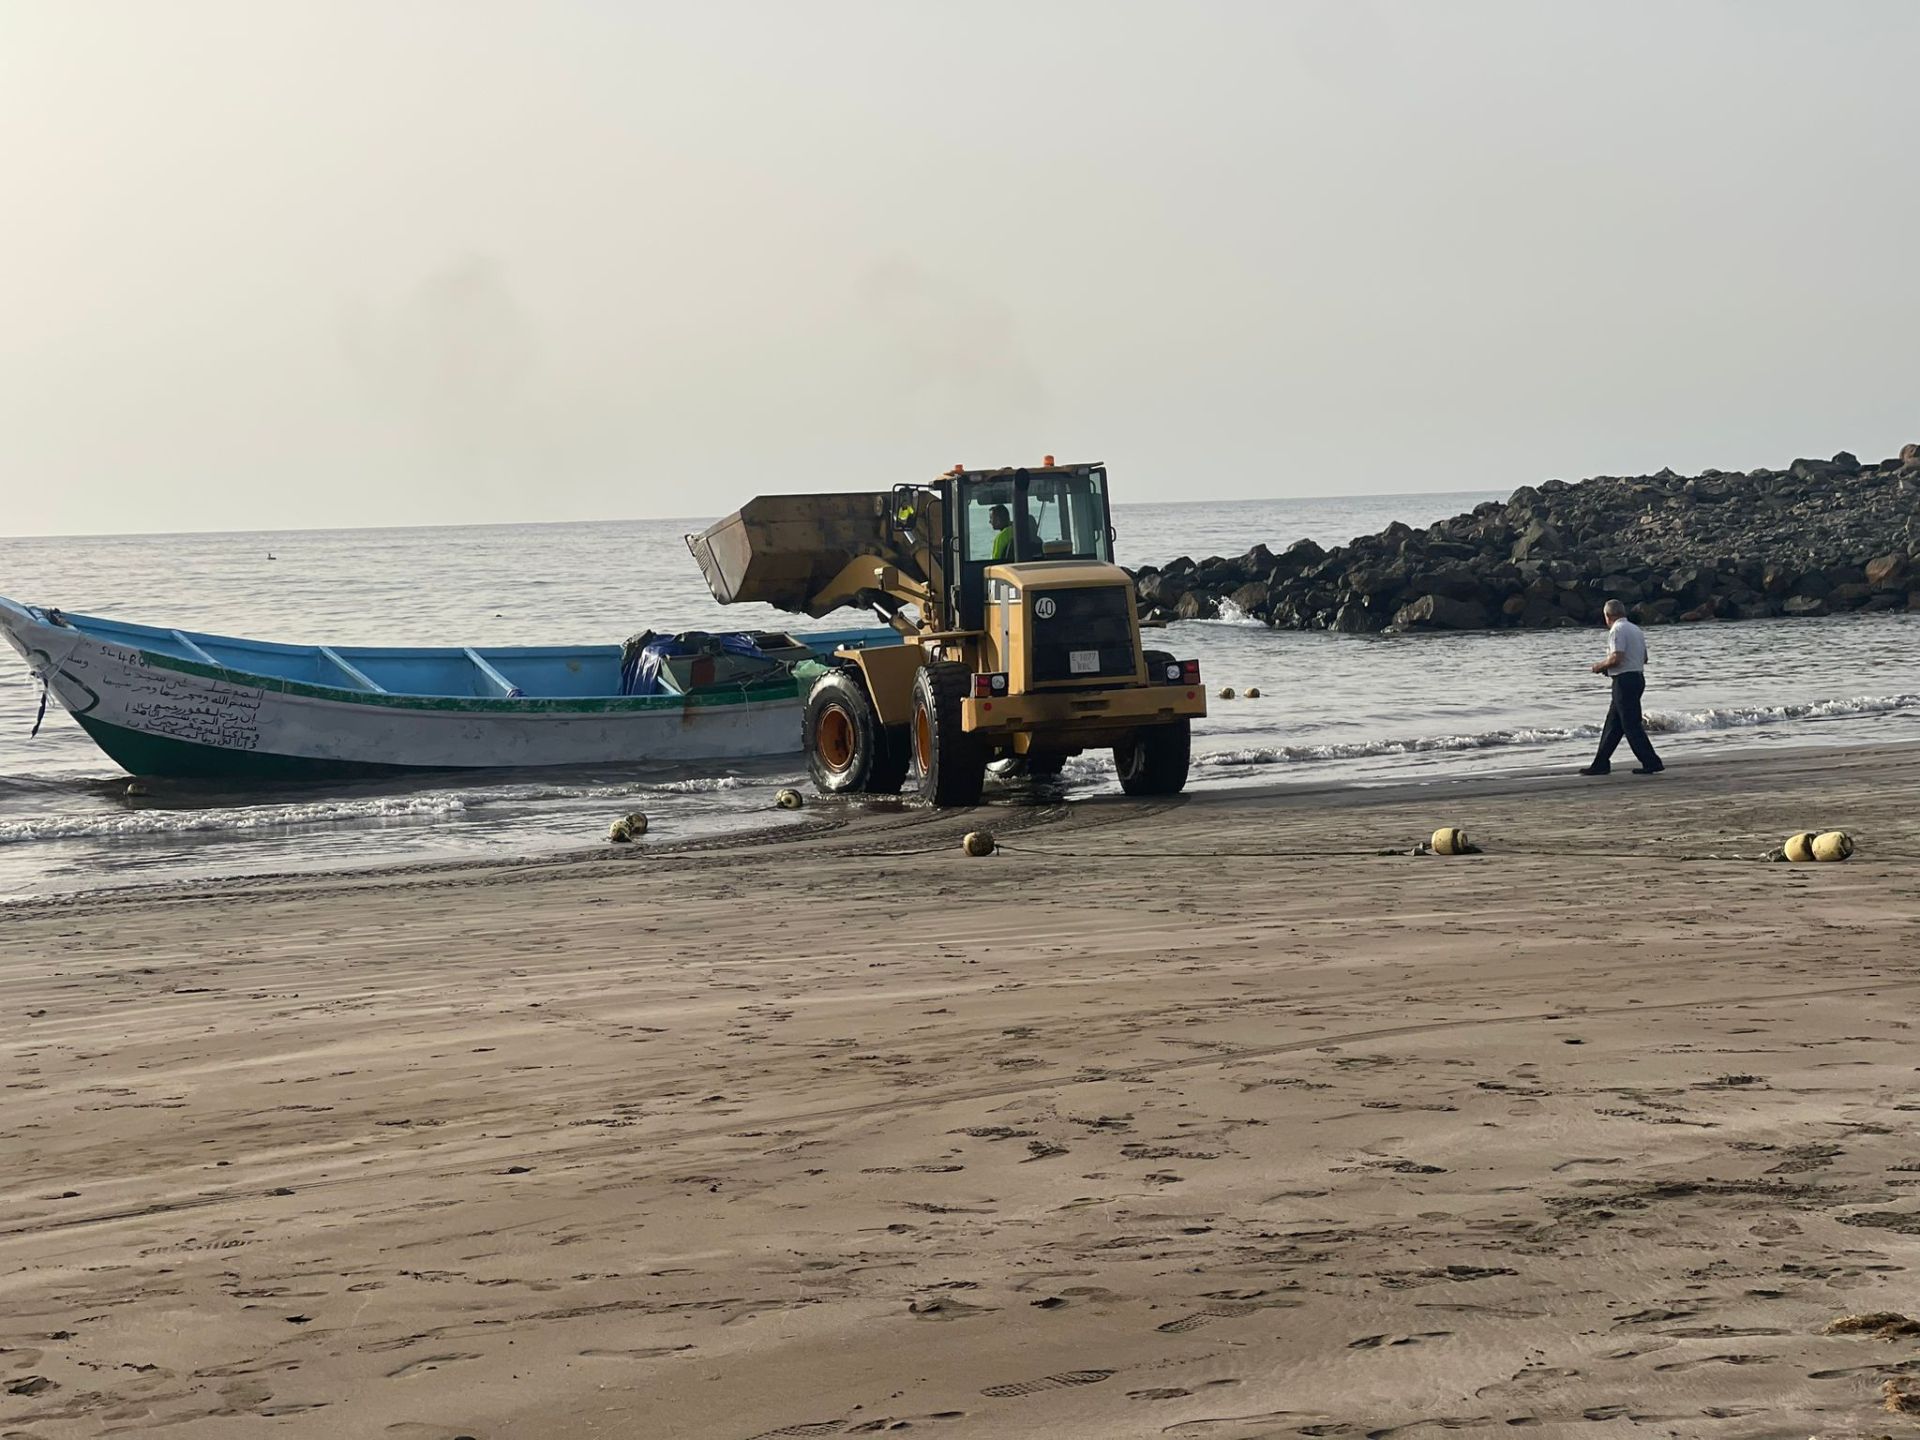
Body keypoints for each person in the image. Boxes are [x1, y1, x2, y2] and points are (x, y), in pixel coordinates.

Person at [1580, 599, 1664, 776]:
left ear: (1607, 615)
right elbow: (1644, 658)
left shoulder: (1617, 630)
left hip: (1624, 681)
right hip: (1636, 677)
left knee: (1631, 724)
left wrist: (1599, 666)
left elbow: (1616, 657)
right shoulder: (1635, 629)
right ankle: (1600, 763)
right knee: (1613, 724)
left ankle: (1651, 761)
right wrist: (1614, 668)